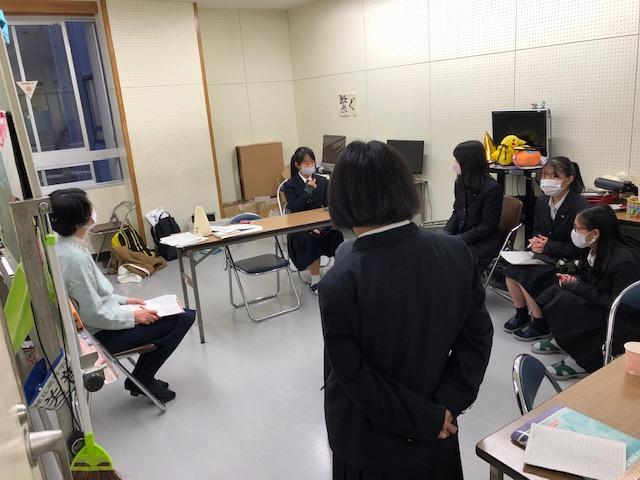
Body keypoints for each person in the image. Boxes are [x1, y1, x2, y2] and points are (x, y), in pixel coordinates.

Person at [320, 140, 493, 479]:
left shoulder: (340, 279)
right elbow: (478, 337)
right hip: (440, 426)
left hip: (369, 441)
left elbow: (352, 373)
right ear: (403, 186)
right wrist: (445, 407)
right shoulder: (455, 251)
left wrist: (424, 418)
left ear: (341, 198)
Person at [50, 188, 195, 402]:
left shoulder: (65, 246)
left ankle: (141, 378)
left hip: (105, 321)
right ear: (84, 216)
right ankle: (143, 378)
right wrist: (133, 316)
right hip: (100, 334)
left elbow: (94, 293)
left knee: (177, 313)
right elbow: (92, 314)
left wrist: (126, 301)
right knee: (183, 317)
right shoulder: (74, 258)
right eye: (89, 205)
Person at [530, 205, 640, 378]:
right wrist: (575, 281)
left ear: (594, 233)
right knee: (556, 290)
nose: (573, 232)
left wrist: (579, 287)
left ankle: (581, 360)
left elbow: (620, 306)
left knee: (566, 301)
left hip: (621, 320)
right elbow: (590, 280)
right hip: (600, 303)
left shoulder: (623, 261)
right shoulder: (592, 250)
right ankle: (565, 340)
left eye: (577, 228)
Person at [503, 156, 588, 340]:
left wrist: (548, 246)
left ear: (569, 179)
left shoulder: (579, 205)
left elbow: (579, 247)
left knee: (528, 275)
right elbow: (537, 229)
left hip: (570, 260)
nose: (548, 179)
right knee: (510, 271)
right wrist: (535, 242)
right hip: (546, 253)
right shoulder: (542, 200)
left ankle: (540, 322)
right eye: (545, 175)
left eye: (554, 176)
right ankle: (521, 313)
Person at [282, 146, 343, 295]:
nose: (310, 165)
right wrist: (308, 190)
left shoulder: (322, 181)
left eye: (312, 162)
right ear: (297, 165)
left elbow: (327, 205)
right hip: (299, 227)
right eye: (306, 163)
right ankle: (315, 280)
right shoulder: (290, 185)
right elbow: (294, 207)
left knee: (338, 235)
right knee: (312, 239)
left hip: (320, 224)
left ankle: (339, 274)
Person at [444, 140, 503, 270]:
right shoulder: (460, 183)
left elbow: (487, 226)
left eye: (457, 160)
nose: (455, 163)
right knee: (435, 251)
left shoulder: (492, 189)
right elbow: (457, 213)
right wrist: (445, 234)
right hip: (461, 238)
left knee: (448, 264)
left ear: (469, 163)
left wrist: (459, 240)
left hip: (482, 244)